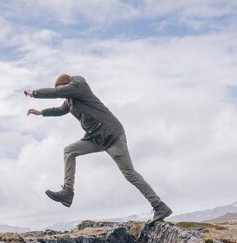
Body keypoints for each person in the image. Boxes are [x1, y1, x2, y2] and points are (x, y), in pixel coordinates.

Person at [24, 74, 172, 224]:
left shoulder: (79, 86)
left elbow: (57, 92)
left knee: (129, 173)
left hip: (113, 135)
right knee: (69, 151)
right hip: (95, 138)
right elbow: (60, 110)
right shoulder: (70, 100)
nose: (62, 92)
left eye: (62, 89)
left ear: (66, 85)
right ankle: (68, 192)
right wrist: (41, 113)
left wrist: (35, 93)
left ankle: (160, 206)